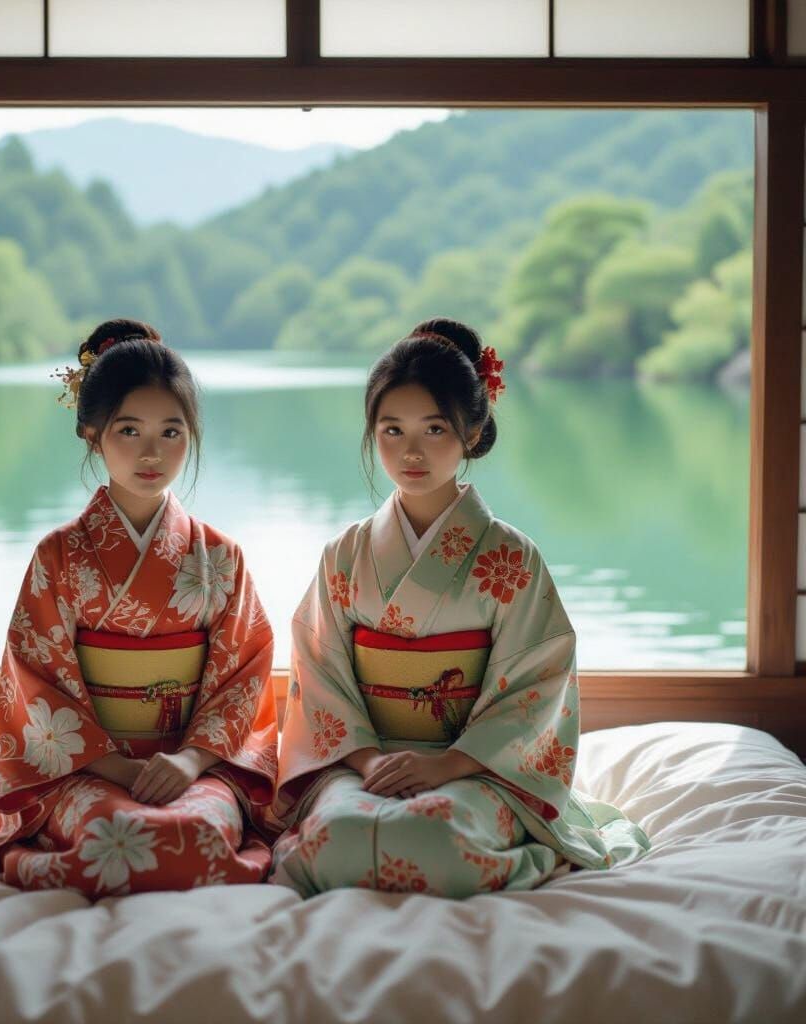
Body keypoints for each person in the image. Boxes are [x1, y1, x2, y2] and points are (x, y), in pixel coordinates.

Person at [0, 319, 278, 897]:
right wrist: (118, 768)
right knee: (114, 838)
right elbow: (35, 682)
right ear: (92, 431)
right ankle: (38, 859)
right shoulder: (59, 556)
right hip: (84, 769)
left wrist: (187, 763)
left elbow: (243, 676)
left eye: (172, 432)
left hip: (193, 765)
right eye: (129, 430)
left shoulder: (220, 556)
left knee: (196, 831)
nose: (151, 452)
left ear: (192, 435)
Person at [270, 318, 650, 898]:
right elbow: (318, 671)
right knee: (341, 834)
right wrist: (371, 763)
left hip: (473, 767)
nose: (410, 451)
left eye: (434, 429)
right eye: (391, 430)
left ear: (471, 433)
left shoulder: (510, 558)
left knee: (435, 837)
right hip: (365, 761)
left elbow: (536, 682)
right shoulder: (344, 554)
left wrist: (449, 765)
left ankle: (530, 863)